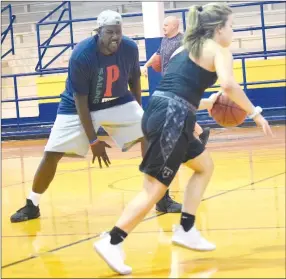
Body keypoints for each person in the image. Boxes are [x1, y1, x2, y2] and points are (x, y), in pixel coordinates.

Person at [93, 3, 273, 275]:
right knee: (154, 188)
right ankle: (112, 240)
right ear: (218, 29)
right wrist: (255, 113)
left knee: (204, 166)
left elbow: (176, 91)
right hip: (172, 118)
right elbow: (228, 85)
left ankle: (186, 228)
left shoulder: (183, 48)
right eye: (231, 26)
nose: (233, 32)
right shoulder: (220, 50)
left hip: (166, 111)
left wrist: (207, 103)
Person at [10, 10, 177, 223]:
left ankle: (161, 197)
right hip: (78, 106)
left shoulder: (130, 48)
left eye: (118, 31)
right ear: (98, 32)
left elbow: (135, 80)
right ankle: (32, 204)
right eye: (109, 32)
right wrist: (93, 140)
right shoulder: (82, 55)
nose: (115, 36)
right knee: (52, 153)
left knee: (150, 133)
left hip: (118, 100)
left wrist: (139, 115)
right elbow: (81, 100)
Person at [142, 16, 211, 155]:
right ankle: (200, 133)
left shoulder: (183, 40)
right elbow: (157, 54)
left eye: (166, 25)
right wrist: (145, 65)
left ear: (175, 26)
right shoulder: (164, 40)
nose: (163, 27)